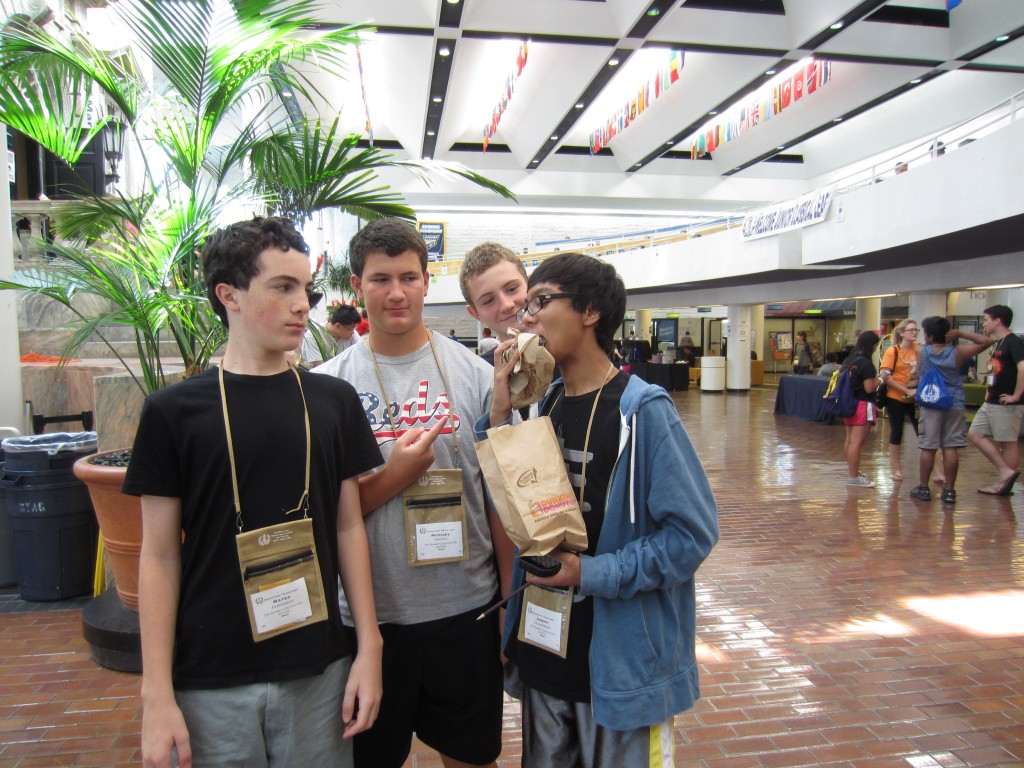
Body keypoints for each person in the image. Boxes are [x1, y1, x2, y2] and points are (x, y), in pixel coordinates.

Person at [125, 217, 383, 768]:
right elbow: (160, 554)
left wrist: (369, 647)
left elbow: (347, 525)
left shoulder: (334, 401)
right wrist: (156, 693)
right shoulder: (173, 413)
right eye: (282, 287)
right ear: (229, 295)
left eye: (306, 289)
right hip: (210, 675)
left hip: (319, 669)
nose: (303, 305)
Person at [477, 252, 719, 767]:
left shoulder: (645, 412)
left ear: (590, 310)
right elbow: (515, 504)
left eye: (541, 300)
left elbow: (690, 537)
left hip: (621, 669)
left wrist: (590, 572)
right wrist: (500, 409)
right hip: (545, 649)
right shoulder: (547, 403)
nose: (527, 315)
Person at [314, 218, 512, 768]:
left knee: (472, 758)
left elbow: (498, 502)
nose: (395, 293)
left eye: (408, 277)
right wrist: (391, 479)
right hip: (370, 622)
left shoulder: (475, 377)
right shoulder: (328, 387)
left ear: (428, 281)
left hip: (466, 611)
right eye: (380, 279)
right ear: (357, 287)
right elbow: (327, 518)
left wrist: (505, 607)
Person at [910, 317, 993, 504]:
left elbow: (919, 368)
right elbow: (987, 341)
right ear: (949, 334)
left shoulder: (921, 351)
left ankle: (923, 487)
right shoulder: (959, 352)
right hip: (953, 401)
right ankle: (949, 491)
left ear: (929, 335)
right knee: (950, 447)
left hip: (931, 402)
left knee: (928, 446)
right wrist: (960, 333)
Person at [968, 305, 1024, 496]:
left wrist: (1016, 395)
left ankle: (1004, 482)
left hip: (1006, 402)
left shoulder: (1013, 342)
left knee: (1007, 441)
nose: (984, 323)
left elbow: (1023, 368)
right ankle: (1005, 472)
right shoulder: (998, 343)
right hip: (991, 399)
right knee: (975, 434)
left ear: (997, 320)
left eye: (986, 319)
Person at [878, 320, 922, 482]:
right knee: (897, 431)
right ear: (902, 333)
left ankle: (937, 470)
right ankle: (896, 469)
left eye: (915, 330)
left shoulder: (919, 350)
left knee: (923, 432)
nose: (914, 332)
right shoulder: (892, 351)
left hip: (916, 397)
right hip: (896, 397)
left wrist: (918, 390)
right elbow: (886, 376)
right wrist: (906, 390)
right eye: (910, 330)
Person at [843, 331, 881, 488]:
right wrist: (881, 379)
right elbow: (869, 387)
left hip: (849, 403)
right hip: (863, 404)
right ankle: (853, 477)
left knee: (849, 440)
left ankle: (853, 471)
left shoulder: (848, 360)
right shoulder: (866, 363)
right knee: (857, 443)